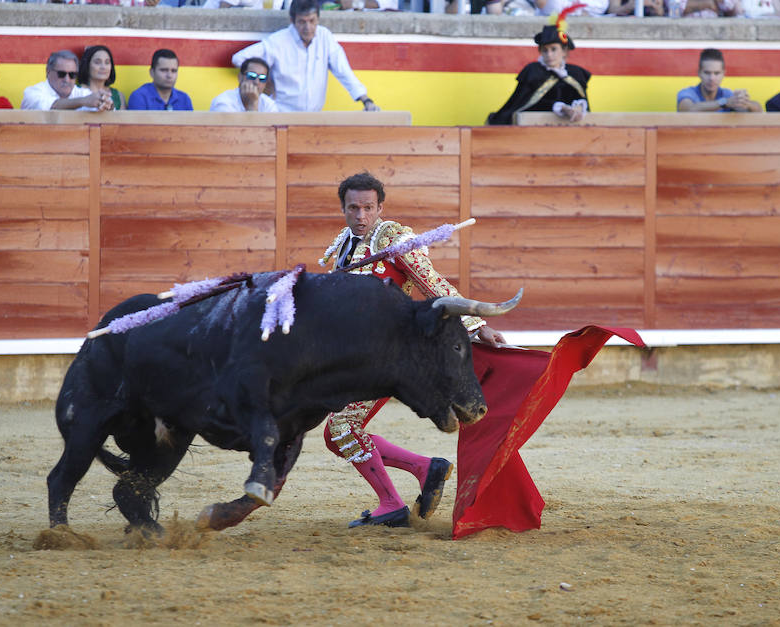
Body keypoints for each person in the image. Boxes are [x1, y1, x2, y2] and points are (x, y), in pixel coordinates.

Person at [319, 172, 505, 528]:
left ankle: (391, 503)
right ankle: (425, 468)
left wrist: (477, 326)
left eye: (368, 208)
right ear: (343, 208)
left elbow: (432, 283)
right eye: (353, 208)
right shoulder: (342, 243)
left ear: (380, 208)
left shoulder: (392, 237)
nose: (361, 216)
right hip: (351, 357)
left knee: (343, 426)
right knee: (335, 435)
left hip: (387, 355)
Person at [230, 0, 380, 113]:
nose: (307, 27)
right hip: (281, 115)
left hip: (313, 117)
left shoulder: (324, 37)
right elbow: (239, 58)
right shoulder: (278, 41)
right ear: (292, 21)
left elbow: (343, 71)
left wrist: (365, 100)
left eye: (312, 21)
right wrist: (266, 81)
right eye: (302, 22)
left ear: (318, 19)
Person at [486, 13, 591, 125]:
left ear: (564, 51)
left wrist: (579, 106)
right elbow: (523, 103)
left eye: (553, 49)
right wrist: (561, 108)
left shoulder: (575, 73)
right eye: (545, 50)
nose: (549, 55)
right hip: (535, 127)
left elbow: (582, 100)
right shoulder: (533, 71)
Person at [21, 50, 111, 111]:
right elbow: (51, 106)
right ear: (48, 72)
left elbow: (108, 109)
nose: (67, 79)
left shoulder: (82, 93)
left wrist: (105, 103)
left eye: (72, 75)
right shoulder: (32, 93)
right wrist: (83, 101)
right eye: (61, 74)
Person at [677, 48, 761, 113]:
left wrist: (745, 103)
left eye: (716, 73)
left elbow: (759, 111)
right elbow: (687, 109)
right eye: (707, 73)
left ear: (723, 74)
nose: (712, 78)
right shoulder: (688, 93)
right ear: (699, 73)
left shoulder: (727, 94)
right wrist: (724, 102)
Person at [127, 49, 194, 111]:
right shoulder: (139, 97)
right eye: (164, 70)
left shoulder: (184, 99)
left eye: (173, 71)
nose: (169, 75)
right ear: (152, 72)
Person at [210, 58, 279, 112]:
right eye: (252, 76)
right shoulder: (223, 101)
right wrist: (252, 105)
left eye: (262, 78)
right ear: (240, 77)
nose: (256, 82)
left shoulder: (269, 104)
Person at [77, 45, 126, 111]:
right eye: (97, 62)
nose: (103, 67)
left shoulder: (118, 95)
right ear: (87, 65)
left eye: (107, 62)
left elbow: (121, 120)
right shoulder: (75, 90)